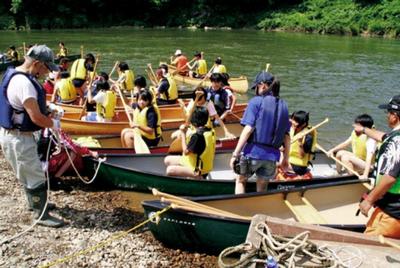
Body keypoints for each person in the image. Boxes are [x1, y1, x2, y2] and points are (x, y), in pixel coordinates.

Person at [0, 44, 65, 227]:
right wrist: (54, 124)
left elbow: (28, 108)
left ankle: (36, 202)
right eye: (46, 68)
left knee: (27, 171)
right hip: (18, 137)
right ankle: (41, 214)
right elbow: (35, 117)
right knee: (34, 173)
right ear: (36, 63)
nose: (46, 73)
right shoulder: (24, 83)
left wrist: (48, 109)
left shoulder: (16, 75)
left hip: (15, 135)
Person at [229, 71, 290, 194]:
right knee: (262, 187)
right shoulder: (284, 106)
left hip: (253, 152)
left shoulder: (256, 101)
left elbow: (248, 129)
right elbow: (287, 137)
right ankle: (259, 208)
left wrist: (235, 154)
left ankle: (239, 209)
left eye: (256, 87)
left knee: (241, 180)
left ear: (262, 85)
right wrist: (286, 159)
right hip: (272, 157)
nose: (255, 90)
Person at [356, 95, 400, 238]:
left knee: (369, 244)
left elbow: (390, 177)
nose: (387, 116)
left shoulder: (397, 141)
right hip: (392, 210)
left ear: (395, 115)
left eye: (388, 113)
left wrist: (369, 200)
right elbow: (383, 136)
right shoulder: (394, 137)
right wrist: (364, 130)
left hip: (391, 213)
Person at [164, 107, 216, 179]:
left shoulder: (196, 136)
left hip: (199, 169)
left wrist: (182, 133)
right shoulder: (210, 130)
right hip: (199, 164)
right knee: (167, 160)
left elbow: (185, 152)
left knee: (169, 170)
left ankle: (198, 177)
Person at [327, 114, 377, 179]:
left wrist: (365, 175)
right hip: (358, 159)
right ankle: (338, 173)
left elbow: (369, 159)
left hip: (368, 166)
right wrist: (332, 150)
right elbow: (345, 143)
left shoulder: (370, 139)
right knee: (339, 153)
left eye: (357, 126)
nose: (355, 127)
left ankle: (351, 178)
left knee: (345, 157)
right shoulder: (355, 132)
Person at [285, 111, 317, 179]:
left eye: (296, 121)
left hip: (298, 166)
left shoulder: (308, 137)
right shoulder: (293, 129)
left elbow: (301, 156)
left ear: (303, 124)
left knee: (273, 163)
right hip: (289, 159)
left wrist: (300, 143)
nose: (293, 122)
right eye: (293, 119)